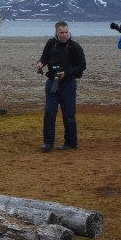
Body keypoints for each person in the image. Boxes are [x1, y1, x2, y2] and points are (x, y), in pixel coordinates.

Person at [35, 21, 86, 152]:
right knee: (49, 113)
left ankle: (71, 143)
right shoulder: (51, 43)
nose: (64, 35)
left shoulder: (75, 47)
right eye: (61, 33)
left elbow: (82, 65)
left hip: (68, 84)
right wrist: (40, 63)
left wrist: (66, 73)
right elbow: (44, 57)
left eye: (66, 32)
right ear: (56, 32)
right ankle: (48, 143)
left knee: (69, 115)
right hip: (52, 83)